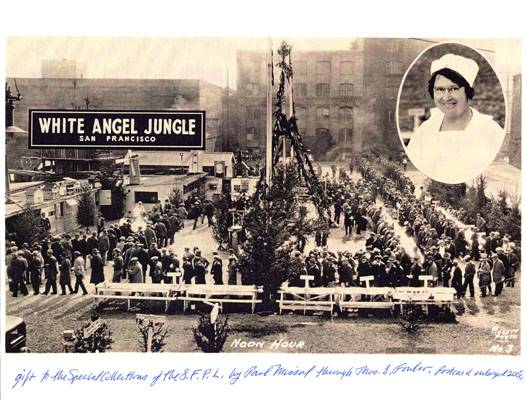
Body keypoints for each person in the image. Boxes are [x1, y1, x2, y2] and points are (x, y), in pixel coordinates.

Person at [405, 54, 505, 184]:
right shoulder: (424, 132)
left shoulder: (490, 131)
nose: (446, 97)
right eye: (440, 89)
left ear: (468, 92)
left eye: (454, 89)